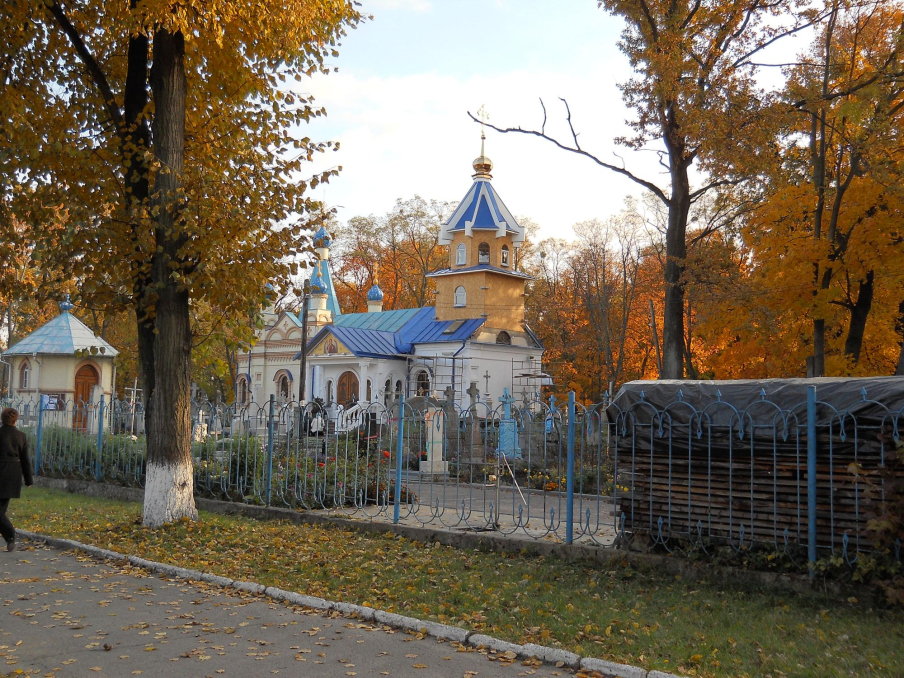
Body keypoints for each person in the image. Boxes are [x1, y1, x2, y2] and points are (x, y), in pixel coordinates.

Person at [0, 407, 33, 552]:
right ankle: (9, 538)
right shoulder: (21, 436)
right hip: (12, 476)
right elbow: (25, 460)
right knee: (1, 510)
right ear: (15, 420)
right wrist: (28, 480)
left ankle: (10, 534)